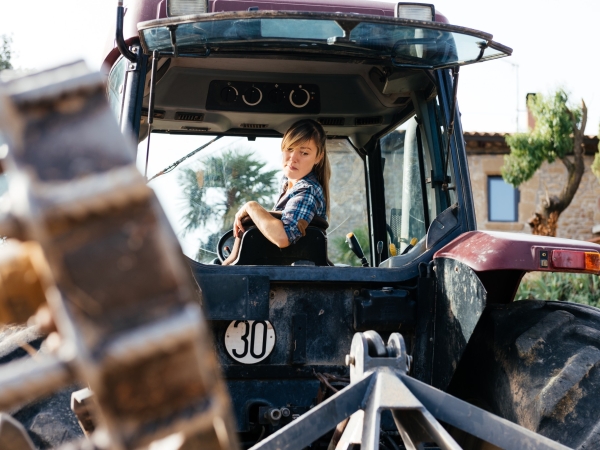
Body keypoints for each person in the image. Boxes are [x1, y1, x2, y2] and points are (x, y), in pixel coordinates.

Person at [222, 119, 330, 265]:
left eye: (304, 153)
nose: (293, 158)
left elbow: (283, 237)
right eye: (290, 149)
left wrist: (251, 206)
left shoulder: (307, 192)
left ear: (318, 157)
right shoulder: (287, 185)